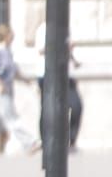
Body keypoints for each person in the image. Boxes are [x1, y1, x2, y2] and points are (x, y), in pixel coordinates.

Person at [0, 25, 37, 155]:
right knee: (11, 118)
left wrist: (28, 82)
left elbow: (14, 72)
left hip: (7, 90)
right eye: (11, 35)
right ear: (7, 35)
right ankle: (30, 142)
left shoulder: (8, 52)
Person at [34, 22, 83, 150]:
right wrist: (60, 46)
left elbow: (71, 51)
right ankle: (46, 141)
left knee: (76, 106)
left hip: (67, 75)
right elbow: (40, 50)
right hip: (46, 74)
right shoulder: (43, 28)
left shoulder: (68, 28)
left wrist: (74, 60)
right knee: (48, 108)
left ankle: (70, 140)